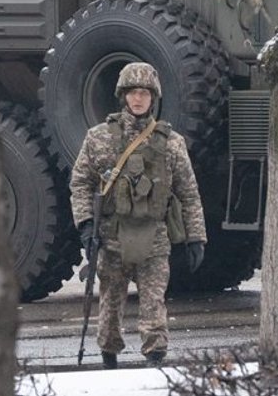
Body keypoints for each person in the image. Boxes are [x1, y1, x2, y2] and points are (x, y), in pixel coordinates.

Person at [70, 62, 207, 369]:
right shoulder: (99, 137)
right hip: (112, 234)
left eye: (144, 93)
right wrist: (85, 225)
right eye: (132, 92)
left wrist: (196, 236)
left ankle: (155, 363)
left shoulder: (171, 143)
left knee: (153, 306)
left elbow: (188, 192)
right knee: (109, 308)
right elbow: (80, 183)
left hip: (154, 237)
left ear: (153, 97)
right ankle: (109, 363)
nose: (138, 99)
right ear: (123, 95)